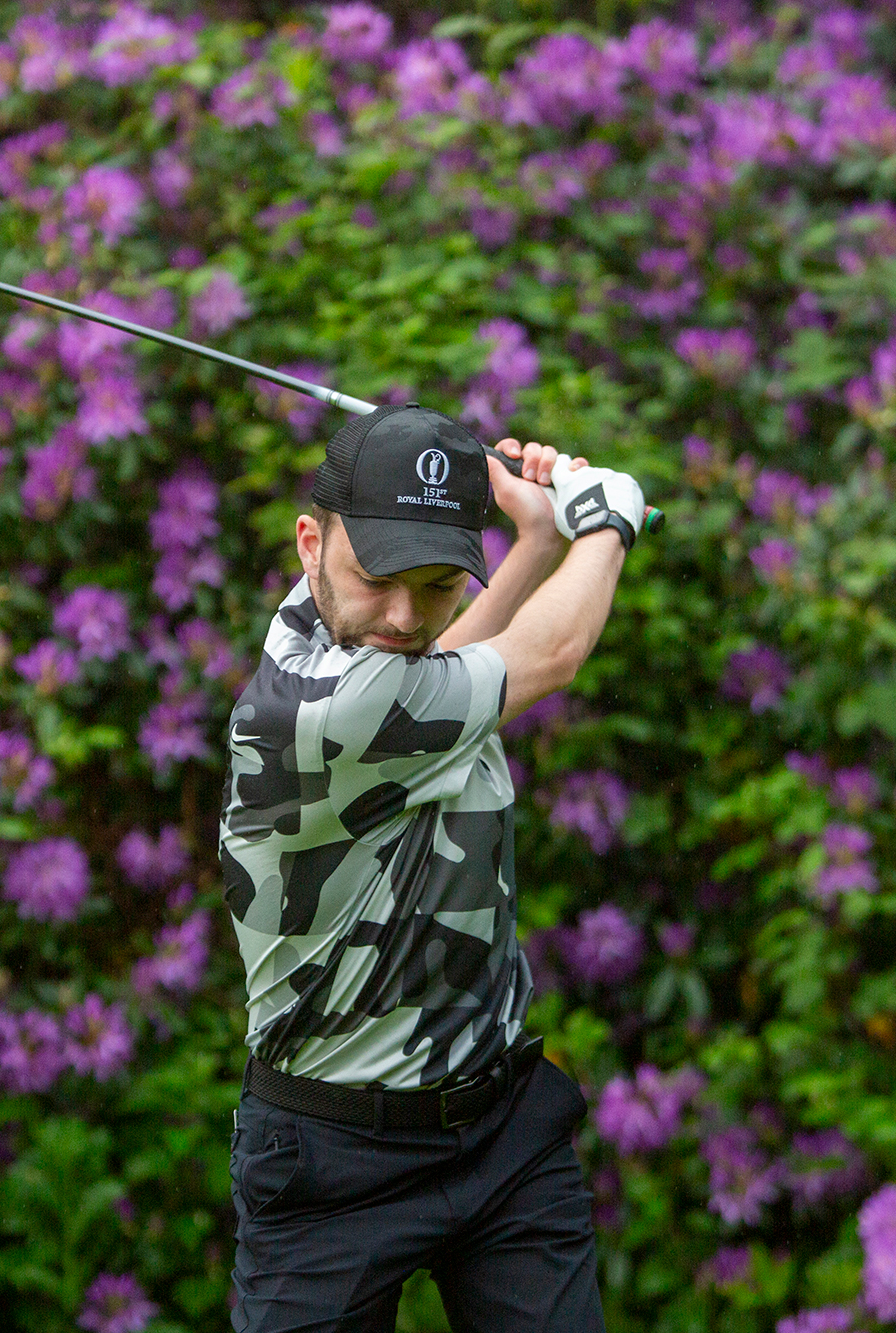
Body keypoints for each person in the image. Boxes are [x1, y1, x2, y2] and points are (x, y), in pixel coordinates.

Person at [218, 403, 648, 1332]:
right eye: (379, 580)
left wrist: (532, 540)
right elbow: (555, 650)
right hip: (330, 1158)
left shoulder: (373, 658)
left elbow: (440, 665)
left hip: (501, 1130)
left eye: (439, 581)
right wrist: (608, 517)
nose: (406, 617)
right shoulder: (315, 710)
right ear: (310, 541)